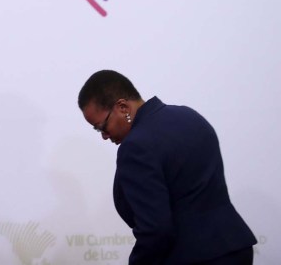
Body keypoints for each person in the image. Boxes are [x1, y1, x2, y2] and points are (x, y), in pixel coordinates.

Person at [78, 70, 256, 265]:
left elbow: (156, 230)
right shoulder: (189, 116)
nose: (104, 135)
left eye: (102, 126)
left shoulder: (136, 146)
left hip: (192, 257)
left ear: (122, 107)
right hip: (236, 246)